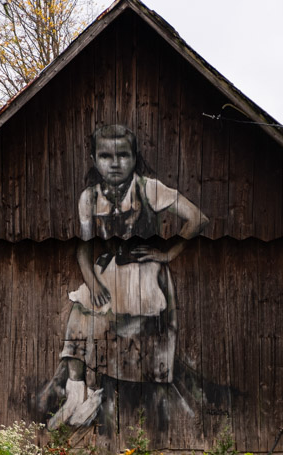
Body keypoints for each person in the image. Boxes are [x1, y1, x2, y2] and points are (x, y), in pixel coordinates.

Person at [45, 124, 208, 430]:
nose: (115, 163)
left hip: (143, 276)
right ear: (94, 159)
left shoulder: (149, 189)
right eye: (106, 156)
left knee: (112, 322)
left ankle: (96, 394)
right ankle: (75, 391)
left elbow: (198, 218)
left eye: (123, 155)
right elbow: (84, 250)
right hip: (107, 273)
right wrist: (92, 284)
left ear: (134, 158)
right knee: (78, 316)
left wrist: (168, 253)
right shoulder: (90, 197)